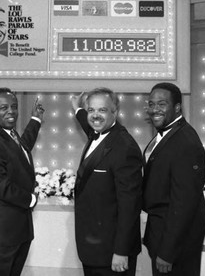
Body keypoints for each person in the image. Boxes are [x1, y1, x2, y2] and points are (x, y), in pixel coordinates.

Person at [71, 88, 142, 276]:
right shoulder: (98, 134)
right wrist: (77, 109)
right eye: (91, 110)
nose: (95, 116)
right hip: (92, 249)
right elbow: (91, 124)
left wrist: (121, 251)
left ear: (115, 113)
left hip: (112, 253)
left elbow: (130, 205)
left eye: (102, 110)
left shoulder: (124, 147)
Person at [0, 88, 44, 276]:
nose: (11, 111)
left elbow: (21, 149)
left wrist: (35, 120)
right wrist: (31, 199)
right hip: (0, 236)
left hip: (18, 232)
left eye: (14, 106)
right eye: (4, 107)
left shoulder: (9, 134)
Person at [142, 82, 205, 275]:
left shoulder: (185, 142)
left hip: (176, 244)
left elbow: (184, 203)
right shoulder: (169, 135)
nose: (155, 109)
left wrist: (168, 252)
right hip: (162, 234)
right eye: (151, 104)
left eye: (162, 104)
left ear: (177, 107)